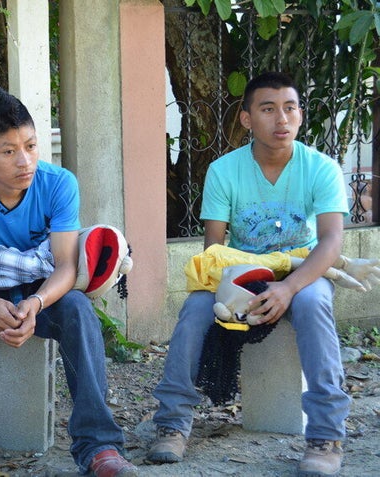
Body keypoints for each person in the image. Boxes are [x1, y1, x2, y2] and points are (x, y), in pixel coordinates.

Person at [0, 87, 141, 477]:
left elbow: (65, 266)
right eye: (8, 151)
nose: (25, 161)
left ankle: (99, 447)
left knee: (78, 310)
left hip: (43, 290)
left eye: (31, 145)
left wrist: (36, 304)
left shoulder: (59, 183)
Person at [146, 72, 351, 477]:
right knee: (196, 309)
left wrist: (290, 287)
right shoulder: (224, 171)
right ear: (246, 120)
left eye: (290, 108)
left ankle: (326, 435)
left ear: (300, 115)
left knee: (312, 304)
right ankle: (172, 422)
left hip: (299, 270)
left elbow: (330, 243)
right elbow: (214, 250)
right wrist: (238, 288)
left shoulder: (321, 168)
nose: (282, 119)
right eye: (268, 109)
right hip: (238, 272)